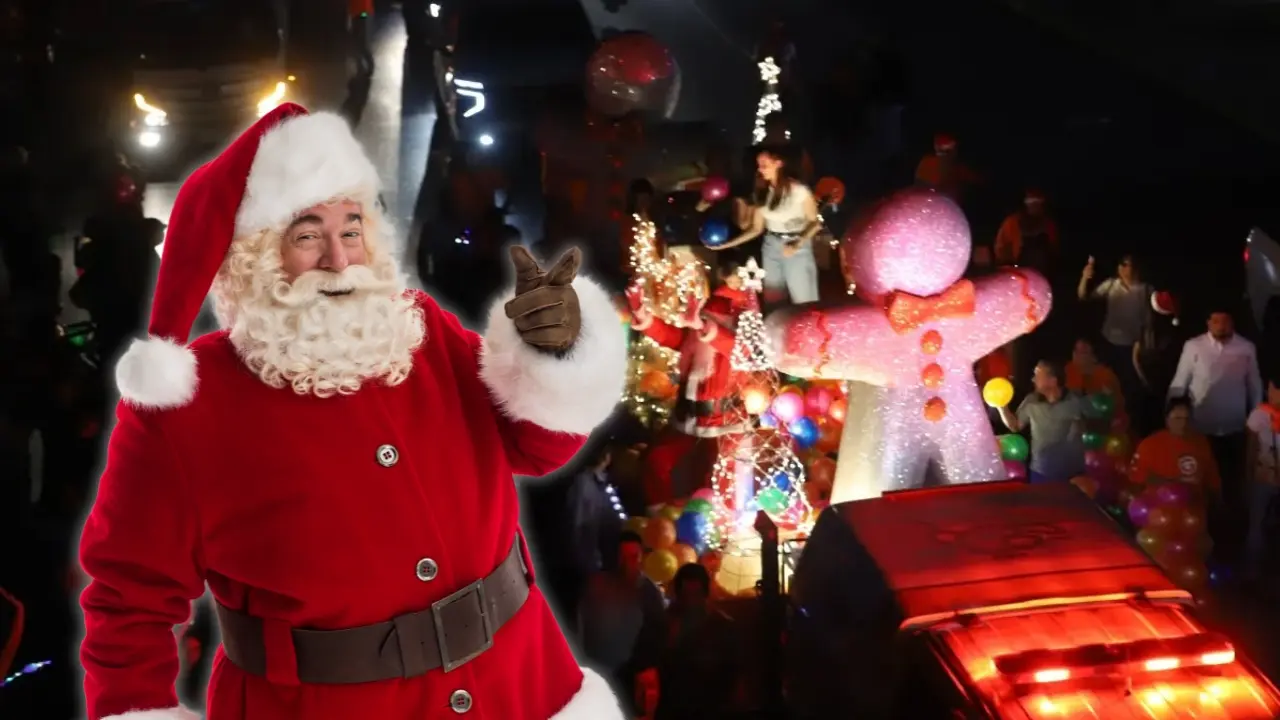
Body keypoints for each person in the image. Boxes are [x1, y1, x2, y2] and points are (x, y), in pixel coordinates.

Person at [77, 105, 627, 720]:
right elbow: (128, 606)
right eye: (307, 234)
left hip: (521, 686)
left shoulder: (423, 331)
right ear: (254, 257)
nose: (340, 260)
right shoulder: (184, 408)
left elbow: (537, 446)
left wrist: (553, 354)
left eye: (351, 228)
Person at [630, 257, 751, 503]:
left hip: (725, 423)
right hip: (688, 420)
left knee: (729, 478)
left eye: (712, 321)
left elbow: (737, 349)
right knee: (657, 459)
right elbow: (670, 335)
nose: (703, 327)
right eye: (705, 318)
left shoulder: (736, 345)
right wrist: (644, 316)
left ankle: (726, 527)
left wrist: (706, 328)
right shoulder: (694, 340)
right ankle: (661, 514)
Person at [1168, 307, 1263, 566]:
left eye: (1226, 321)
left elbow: (1254, 386)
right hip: (1201, 429)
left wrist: (1256, 422)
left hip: (1233, 429)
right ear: (1208, 321)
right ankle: (1200, 542)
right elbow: (1180, 381)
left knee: (1231, 486)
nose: (1221, 325)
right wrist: (1172, 415)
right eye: (1216, 320)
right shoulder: (1194, 346)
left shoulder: (1246, 348)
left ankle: (1231, 548)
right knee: (1200, 487)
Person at [712, 146, 821, 306]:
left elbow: (815, 223)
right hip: (771, 246)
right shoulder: (764, 192)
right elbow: (756, 229)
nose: (760, 169)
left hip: (796, 245)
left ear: (779, 163)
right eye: (758, 165)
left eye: (764, 165)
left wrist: (798, 243)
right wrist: (725, 245)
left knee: (804, 300)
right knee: (774, 299)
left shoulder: (799, 191)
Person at [577, 533, 667, 719]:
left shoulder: (649, 594)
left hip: (628, 676)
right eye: (623, 557)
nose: (628, 563)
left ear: (641, 557)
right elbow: (582, 619)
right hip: (595, 669)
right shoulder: (597, 583)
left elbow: (656, 637)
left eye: (633, 557)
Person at [654, 564, 739, 720]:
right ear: (679, 594)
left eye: (696, 594)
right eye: (686, 594)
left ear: (705, 593)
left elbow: (731, 673)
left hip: (710, 707)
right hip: (674, 706)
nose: (691, 600)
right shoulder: (665, 624)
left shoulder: (722, 625)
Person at [1077, 253, 1151, 412]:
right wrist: (1085, 277)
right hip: (1108, 342)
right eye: (1122, 265)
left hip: (1131, 348)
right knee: (1103, 383)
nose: (1125, 269)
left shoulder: (1146, 290)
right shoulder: (1111, 284)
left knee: (1129, 389)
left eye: (1129, 265)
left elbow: (1149, 321)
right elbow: (1084, 297)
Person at [998, 360, 1090, 483]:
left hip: (1072, 474)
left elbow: (1094, 424)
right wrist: (1001, 405)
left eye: (1037, 375)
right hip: (1041, 472)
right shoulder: (1031, 401)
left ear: (1053, 380)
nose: (1033, 379)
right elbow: (1015, 426)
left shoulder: (1075, 401)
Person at [1129, 397, 1221, 500]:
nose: (1183, 424)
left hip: (1193, 508)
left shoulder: (1200, 442)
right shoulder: (1149, 444)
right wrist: (1176, 483)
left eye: (1187, 419)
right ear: (1167, 420)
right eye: (1178, 418)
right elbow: (1138, 478)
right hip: (1160, 507)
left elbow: (1212, 480)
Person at [1243, 373, 1280, 580]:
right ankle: (1252, 573)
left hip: (1265, 477)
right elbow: (1251, 449)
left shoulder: (1260, 414)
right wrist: (1248, 478)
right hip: (1263, 478)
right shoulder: (1259, 415)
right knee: (1256, 527)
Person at [1133, 291, 1183, 433]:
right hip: (1164, 384)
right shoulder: (1173, 333)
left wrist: (1142, 379)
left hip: (1150, 384)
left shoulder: (1145, 329)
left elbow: (1135, 355)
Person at [993, 189, 1059, 276]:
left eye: (1038, 201)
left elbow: (1054, 249)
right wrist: (1008, 266)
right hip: (1019, 271)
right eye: (1031, 201)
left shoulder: (1049, 224)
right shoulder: (1012, 223)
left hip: (1042, 273)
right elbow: (1001, 248)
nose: (1034, 205)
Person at [1065, 338, 1124, 415]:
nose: (1077, 356)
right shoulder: (1069, 370)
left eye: (1083, 352)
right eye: (1075, 351)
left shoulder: (1106, 376)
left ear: (1094, 358)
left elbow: (1112, 407)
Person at [914, 133, 979, 202]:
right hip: (932, 202)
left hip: (950, 204)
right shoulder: (928, 162)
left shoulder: (958, 167)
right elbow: (919, 184)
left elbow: (975, 178)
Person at [347, 0, 375, 77]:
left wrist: (363, 15)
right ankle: (361, 66)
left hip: (362, 14)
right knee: (356, 42)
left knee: (362, 43)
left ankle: (369, 65)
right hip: (356, 14)